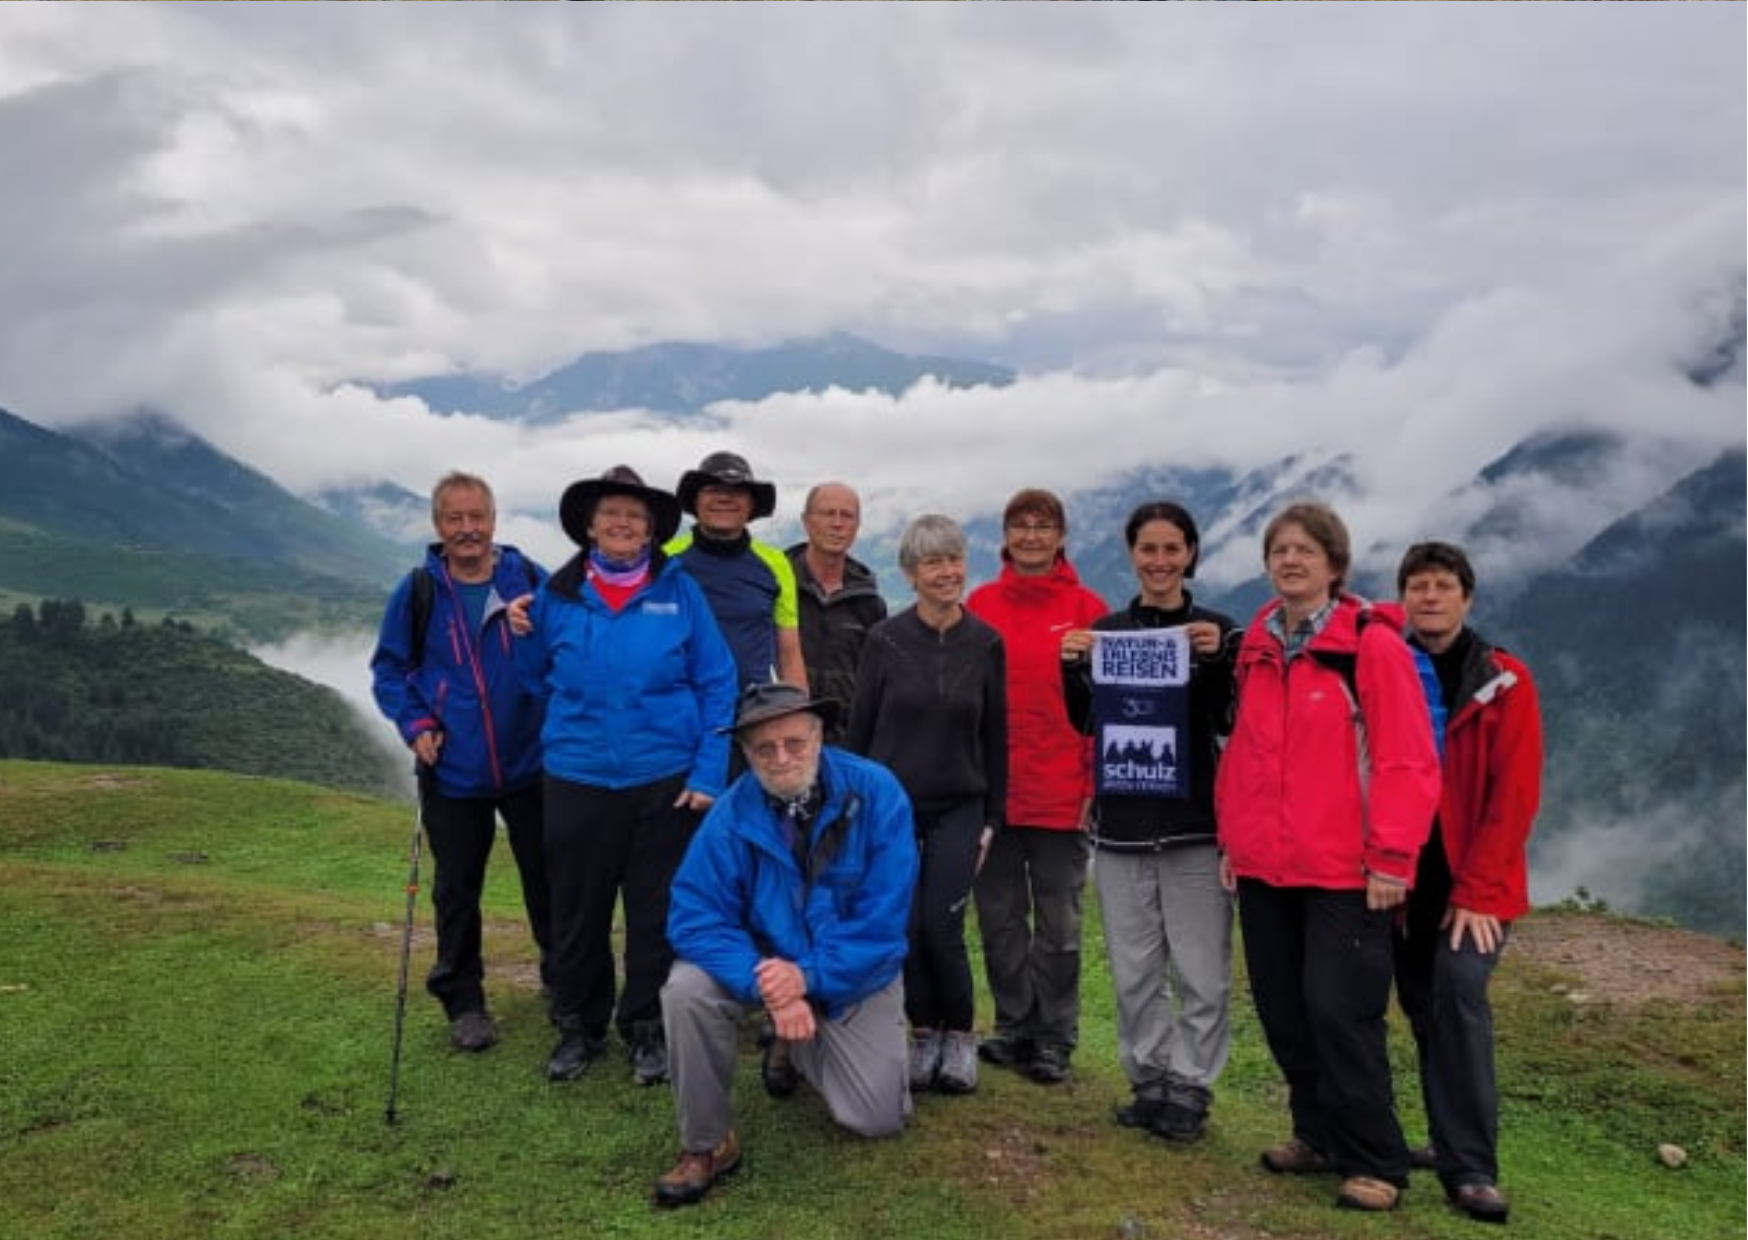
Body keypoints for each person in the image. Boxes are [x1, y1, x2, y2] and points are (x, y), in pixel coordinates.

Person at [1214, 500, 1441, 1214]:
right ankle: (1314, 1135)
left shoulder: (1369, 645)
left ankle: (1375, 1159)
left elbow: (1407, 758)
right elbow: (1244, 751)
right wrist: (1234, 838)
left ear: (1334, 566)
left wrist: (1393, 856)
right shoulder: (1257, 641)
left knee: (1342, 1013)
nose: (1290, 560)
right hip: (1265, 862)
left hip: (1346, 869)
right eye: (1280, 550)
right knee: (1285, 1011)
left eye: (1306, 551)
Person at [512, 466, 738, 1086]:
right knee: (576, 913)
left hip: (663, 780)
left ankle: (646, 1028)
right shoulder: (554, 597)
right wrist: (520, 630)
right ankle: (577, 1027)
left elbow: (717, 681)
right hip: (576, 779)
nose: (621, 524)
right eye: (610, 513)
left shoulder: (680, 590)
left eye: (635, 517)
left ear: (651, 531)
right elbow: (534, 679)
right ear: (588, 525)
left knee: (655, 912)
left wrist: (708, 771)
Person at [655, 683, 919, 1209]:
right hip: (763, 968)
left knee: (875, 1117)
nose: (781, 758)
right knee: (684, 990)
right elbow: (694, 916)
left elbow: (882, 923)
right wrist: (768, 981)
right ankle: (706, 1145)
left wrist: (807, 978)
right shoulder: (729, 817)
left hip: (852, 973)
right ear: (746, 754)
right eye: (764, 749)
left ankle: (793, 1043)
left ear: (820, 738)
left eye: (795, 743)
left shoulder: (879, 793)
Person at [1061, 501, 1236, 1142]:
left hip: (1195, 824)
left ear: (1190, 553)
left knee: (1200, 969)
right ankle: (1149, 1078)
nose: (1160, 561)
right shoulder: (1108, 629)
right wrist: (1072, 667)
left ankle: (1190, 1086)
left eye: (1172, 548)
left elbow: (1227, 723)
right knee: (1133, 969)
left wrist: (1218, 660)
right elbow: (1085, 721)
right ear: (1131, 554)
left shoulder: (1218, 630)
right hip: (1121, 826)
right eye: (1148, 549)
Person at [369, 470, 551, 1053]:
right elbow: (389, 670)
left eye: (477, 517)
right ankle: (464, 1001)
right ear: (438, 525)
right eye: (455, 518)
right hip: (453, 766)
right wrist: (416, 724)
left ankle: (563, 976)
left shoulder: (532, 580)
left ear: (494, 520)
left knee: (552, 880)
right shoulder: (419, 591)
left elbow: (567, 647)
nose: (468, 529)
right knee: (456, 889)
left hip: (533, 760)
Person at [1393, 541, 1543, 1225]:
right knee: (1423, 1010)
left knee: (1458, 996)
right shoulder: (1390, 667)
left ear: (1467, 597)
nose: (1430, 596)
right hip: (1400, 882)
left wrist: (1479, 891)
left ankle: (1472, 1168)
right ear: (1403, 598)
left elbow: (1514, 794)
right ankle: (1444, 1140)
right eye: (1418, 586)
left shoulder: (1503, 680)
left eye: (1443, 585)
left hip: (1471, 886)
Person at [847, 514, 1007, 1096]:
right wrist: (852, 806)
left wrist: (994, 816)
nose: (947, 572)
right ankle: (923, 1034)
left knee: (941, 924)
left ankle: (959, 1037)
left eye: (954, 559)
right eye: (933, 562)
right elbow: (859, 729)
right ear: (911, 574)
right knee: (905, 925)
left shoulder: (987, 643)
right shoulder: (885, 641)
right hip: (891, 807)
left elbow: (995, 735)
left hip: (961, 806)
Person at [966, 488, 1107, 1085]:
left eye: (1042, 525)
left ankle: (1054, 1036)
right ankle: (1014, 1025)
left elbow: (1110, 709)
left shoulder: (1088, 608)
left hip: (1061, 789)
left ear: (1059, 536)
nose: (1030, 535)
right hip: (995, 791)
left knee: (1060, 927)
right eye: (1020, 525)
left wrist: (1094, 785)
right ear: (1005, 535)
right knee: (998, 919)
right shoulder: (980, 603)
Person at [667, 451, 807, 692]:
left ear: (751, 504)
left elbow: (789, 654)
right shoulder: (664, 560)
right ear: (695, 500)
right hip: (680, 713)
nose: (724, 498)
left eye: (737, 491)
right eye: (712, 489)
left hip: (754, 713)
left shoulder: (776, 563)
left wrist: (802, 721)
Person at [785, 481, 887, 745]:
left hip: (847, 745)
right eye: (828, 513)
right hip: (784, 739)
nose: (838, 524)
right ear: (806, 522)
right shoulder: (777, 585)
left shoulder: (870, 604)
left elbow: (877, 684)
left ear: (857, 527)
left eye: (847, 516)